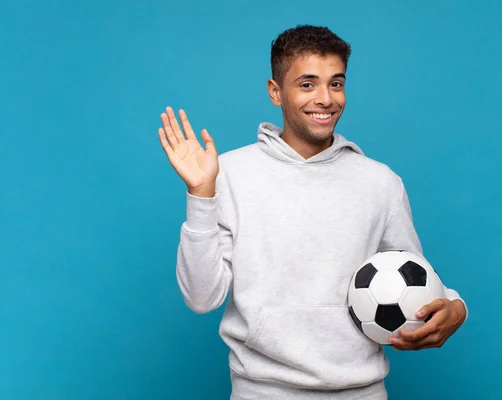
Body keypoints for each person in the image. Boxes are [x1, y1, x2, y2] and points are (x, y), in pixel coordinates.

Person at [158, 25, 468, 400]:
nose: (325, 98)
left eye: (336, 84)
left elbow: (412, 274)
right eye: (307, 84)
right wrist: (201, 194)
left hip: (362, 392)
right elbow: (201, 297)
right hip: (261, 393)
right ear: (276, 92)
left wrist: (456, 306)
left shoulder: (380, 182)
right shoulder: (228, 174)